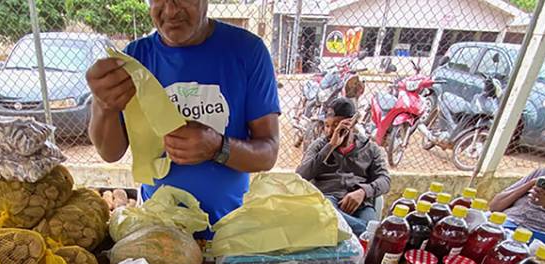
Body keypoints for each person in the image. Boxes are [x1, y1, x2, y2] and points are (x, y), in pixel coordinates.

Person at [85, 0, 280, 233]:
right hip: (157, 229)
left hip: (230, 227)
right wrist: (104, 106)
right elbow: (110, 153)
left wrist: (218, 147)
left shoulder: (247, 51)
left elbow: (268, 153)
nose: (170, 11)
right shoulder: (133, 60)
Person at [296, 97, 391, 234]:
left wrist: (363, 192)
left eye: (336, 125)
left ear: (352, 123)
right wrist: (331, 146)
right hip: (328, 200)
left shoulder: (370, 149)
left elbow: (385, 180)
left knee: (368, 226)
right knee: (366, 232)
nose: (330, 131)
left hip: (361, 204)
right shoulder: (319, 146)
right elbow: (301, 175)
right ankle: (367, 232)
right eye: (327, 125)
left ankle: (362, 231)